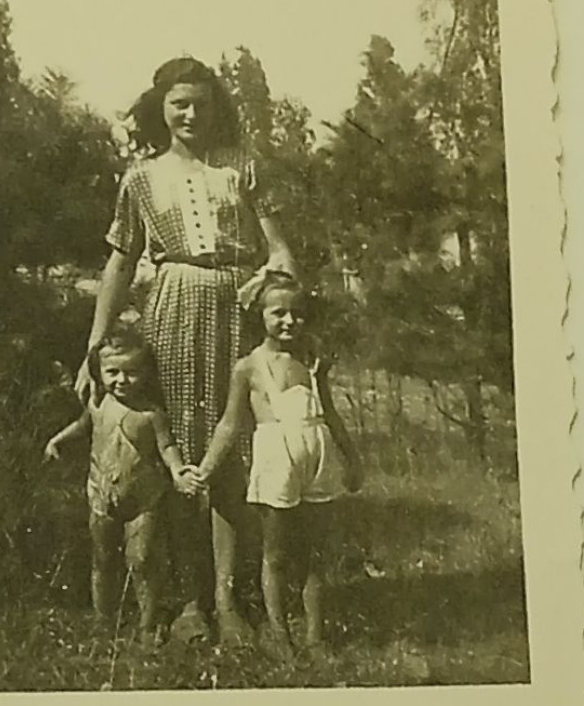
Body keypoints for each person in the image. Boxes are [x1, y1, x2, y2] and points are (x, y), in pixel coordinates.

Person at [75, 56, 296, 646]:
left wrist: (267, 276)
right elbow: (121, 262)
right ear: (162, 111)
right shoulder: (140, 179)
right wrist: (95, 347)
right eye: (179, 104)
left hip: (235, 308)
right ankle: (190, 603)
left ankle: (229, 601)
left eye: (201, 102)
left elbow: (282, 252)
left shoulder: (242, 168)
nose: (191, 114)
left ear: (216, 106)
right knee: (178, 448)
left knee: (232, 448)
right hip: (171, 306)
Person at [197, 272, 362, 658]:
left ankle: (315, 637)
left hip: (317, 454)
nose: (289, 321)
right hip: (277, 458)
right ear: (261, 316)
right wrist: (206, 468)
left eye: (298, 314)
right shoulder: (249, 367)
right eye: (279, 313)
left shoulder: (313, 361)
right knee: (277, 551)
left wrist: (352, 458)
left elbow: (331, 412)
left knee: (315, 553)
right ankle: (280, 634)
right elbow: (229, 422)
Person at [45, 326, 199, 650]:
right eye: (112, 372)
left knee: (141, 559)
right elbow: (82, 426)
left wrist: (176, 470)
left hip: (142, 497)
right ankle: (103, 621)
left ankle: (148, 622)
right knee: (102, 558)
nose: (121, 380)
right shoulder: (98, 404)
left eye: (131, 372)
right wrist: (58, 439)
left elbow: (167, 445)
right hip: (101, 493)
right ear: (99, 373)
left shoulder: (150, 414)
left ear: (145, 372)